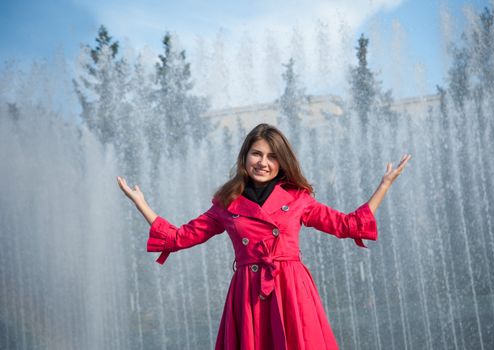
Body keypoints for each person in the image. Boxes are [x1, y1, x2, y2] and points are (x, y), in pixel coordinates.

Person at [117, 123, 411, 350]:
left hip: (292, 288)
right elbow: (179, 238)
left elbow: (347, 225)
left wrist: (384, 185)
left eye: (272, 157)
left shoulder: (298, 198)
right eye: (256, 153)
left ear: (281, 163)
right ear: (245, 156)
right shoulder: (226, 202)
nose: (263, 162)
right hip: (248, 292)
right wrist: (140, 203)